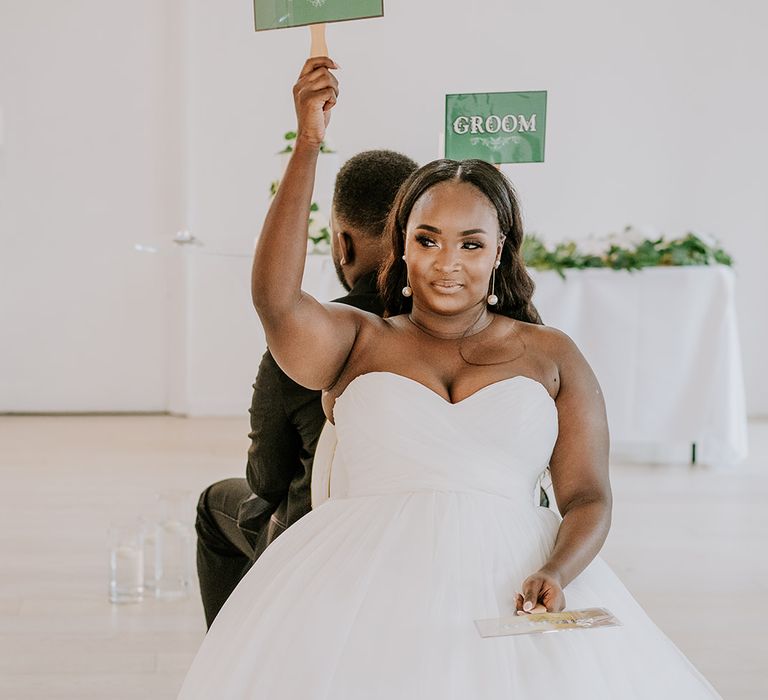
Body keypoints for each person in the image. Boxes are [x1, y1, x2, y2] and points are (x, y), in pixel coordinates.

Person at [179, 58, 720, 698]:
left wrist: (558, 569)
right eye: (428, 239)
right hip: (360, 582)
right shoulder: (358, 342)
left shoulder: (553, 356)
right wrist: (308, 144)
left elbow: (588, 497)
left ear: (499, 251)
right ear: (402, 244)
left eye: (470, 243)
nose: (446, 264)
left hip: (515, 583)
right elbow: (275, 300)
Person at [195, 149, 419, 627]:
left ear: (342, 243)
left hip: (324, 550)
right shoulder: (468, 333)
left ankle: (232, 661)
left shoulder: (310, 338)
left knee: (217, 504)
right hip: (430, 542)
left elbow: (266, 480)